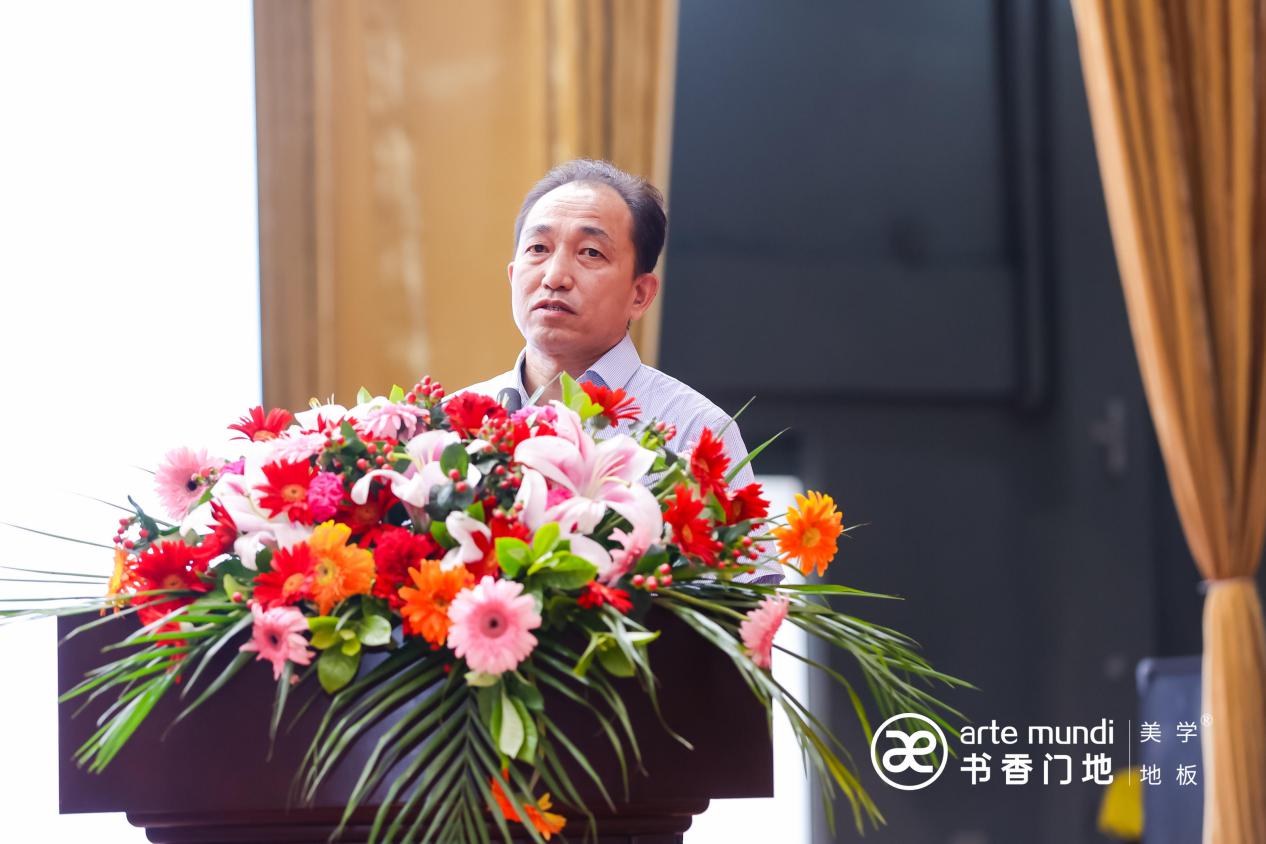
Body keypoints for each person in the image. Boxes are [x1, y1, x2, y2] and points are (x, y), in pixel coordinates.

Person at [460, 159, 778, 581]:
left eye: (590, 253)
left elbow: (746, 608)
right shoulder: (455, 420)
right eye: (538, 249)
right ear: (513, 275)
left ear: (640, 294)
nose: (555, 276)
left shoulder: (696, 431)